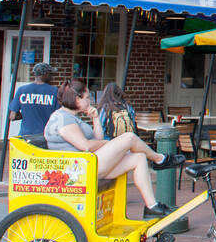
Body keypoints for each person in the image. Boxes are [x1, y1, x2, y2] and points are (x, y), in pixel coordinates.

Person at [44, 80, 184, 218]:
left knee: (139, 158)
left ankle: (151, 206)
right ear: (77, 99)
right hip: (80, 170)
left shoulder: (70, 117)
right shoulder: (62, 118)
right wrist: (107, 143)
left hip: (88, 165)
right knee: (129, 137)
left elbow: (96, 140)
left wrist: (95, 118)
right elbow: (85, 146)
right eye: (87, 97)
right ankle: (160, 159)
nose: (90, 101)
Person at [7, 62, 60, 140]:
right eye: (50, 74)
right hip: (45, 136)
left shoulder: (22, 90)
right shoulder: (55, 91)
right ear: (46, 75)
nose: (51, 76)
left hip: (25, 136)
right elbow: (58, 116)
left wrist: (25, 114)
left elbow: (12, 116)